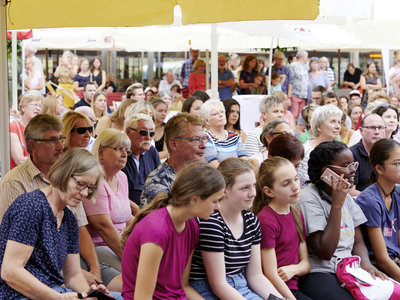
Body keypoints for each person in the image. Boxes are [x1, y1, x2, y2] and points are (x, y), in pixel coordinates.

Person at [0, 115, 123, 292]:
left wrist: (88, 293)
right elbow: (11, 271)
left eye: (89, 188)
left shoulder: (68, 215)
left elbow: (72, 275)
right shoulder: (29, 203)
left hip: (56, 285)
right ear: (63, 175)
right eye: (80, 184)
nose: (84, 193)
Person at [121, 162, 225, 299]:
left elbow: (182, 286)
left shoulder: (191, 227)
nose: (218, 207)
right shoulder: (156, 230)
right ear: (194, 199)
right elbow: (142, 297)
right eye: (215, 201)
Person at [297, 141, 385, 300]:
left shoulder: (347, 198)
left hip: (349, 268)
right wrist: (337, 205)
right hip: (321, 271)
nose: (353, 170)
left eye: (353, 164)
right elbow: (325, 251)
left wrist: (365, 263)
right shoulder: (307, 199)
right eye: (346, 165)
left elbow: (358, 242)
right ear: (327, 172)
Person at [189, 158, 282, 299]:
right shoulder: (211, 222)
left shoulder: (251, 221)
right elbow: (218, 284)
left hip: (240, 284)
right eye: (245, 188)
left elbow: (255, 276)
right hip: (207, 288)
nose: (253, 193)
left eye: (254, 186)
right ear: (224, 190)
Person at [253, 157, 311, 300]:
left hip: (294, 285)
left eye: (296, 179)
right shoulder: (266, 220)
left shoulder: (296, 213)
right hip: (278, 290)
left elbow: (305, 263)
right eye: (286, 184)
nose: (295, 187)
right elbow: (271, 274)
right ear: (268, 191)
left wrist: (294, 269)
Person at [83, 129, 134, 273]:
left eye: (127, 151)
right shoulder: (94, 179)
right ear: (100, 152)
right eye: (119, 149)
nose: (124, 155)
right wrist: (130, 257)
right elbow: (103, 227)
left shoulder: (122, 177)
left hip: (122, 241)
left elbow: (126, 216)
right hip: (100, 246)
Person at [356, 139, 400, 282]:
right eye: (397, 164)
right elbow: (382, 259)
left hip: (395, 260)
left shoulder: (397, 193)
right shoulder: (370, 200)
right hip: (378, 268)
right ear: (379, 169)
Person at [140, 113, 206, 207]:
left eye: (204, 139)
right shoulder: (158, 183)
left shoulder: (202, 173)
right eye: (196, 139)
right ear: (174, 144)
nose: (203, 145)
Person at [298, 104, 343, 187]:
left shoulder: (340, 150)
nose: (338, 126)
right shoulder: (305, 151)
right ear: (318, 127)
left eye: (339, 122)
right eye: (332, 121)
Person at [122, 113, 160, 208]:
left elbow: (160, 184)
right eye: (143, 132)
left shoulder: (152, 152)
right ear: (128, 132)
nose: (148, 138)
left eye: (151, 133)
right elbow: (119, 196)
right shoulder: (120, 154)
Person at [202, 100, 247, 167]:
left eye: (222, 112)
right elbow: (214, 166)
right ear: (207, 121)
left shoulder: (235, 136)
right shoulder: (206, 138)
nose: (221, 115)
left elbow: (244, 160)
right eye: (215, 114)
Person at [350, 113, 386, 194]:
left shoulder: (390, 152)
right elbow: (350, 191)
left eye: (380, 127)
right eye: (372, 128)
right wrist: (377, 200)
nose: (377, 132)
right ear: (361, 131)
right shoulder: (351, 154)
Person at [10, 93, 43, 169]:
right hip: (19, 176)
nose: (38, 108)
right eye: (35, 105)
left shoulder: (40, 128)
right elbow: (19, 160)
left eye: (40, 106)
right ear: (23, 108)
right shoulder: (14, 126)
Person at [288, 50, 309, 118]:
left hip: (304, 95)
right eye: (307, 57)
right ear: (303, 57)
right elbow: (289, 80)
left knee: (301, 116)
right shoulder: (293, 65)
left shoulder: (305, 67)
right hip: (295, 94)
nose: (307, 59)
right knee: (294, 114)